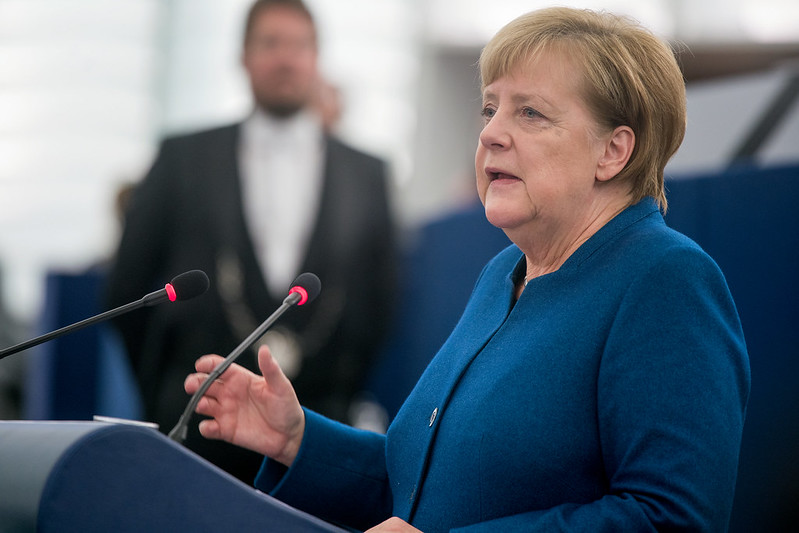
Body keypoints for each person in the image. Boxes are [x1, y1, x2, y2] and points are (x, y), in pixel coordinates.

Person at [183, 7, 750, 531]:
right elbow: (422, 485)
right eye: (490, 108)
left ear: (613, 152)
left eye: (529, 112)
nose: (490, 133)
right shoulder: (503, 275)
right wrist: (299, 439)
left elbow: (669, 518)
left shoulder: (665, 281)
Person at [105, 0, 396, 484]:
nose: (286, 58)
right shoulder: (183, 158)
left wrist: (340, 395)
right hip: (195, 422)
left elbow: (381, 303)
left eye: (300, 45)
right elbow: (126, 288)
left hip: (318, 432)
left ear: (317, 58)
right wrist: (165, 390)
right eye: (270, 43)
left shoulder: (367, 173)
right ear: (242, 57)